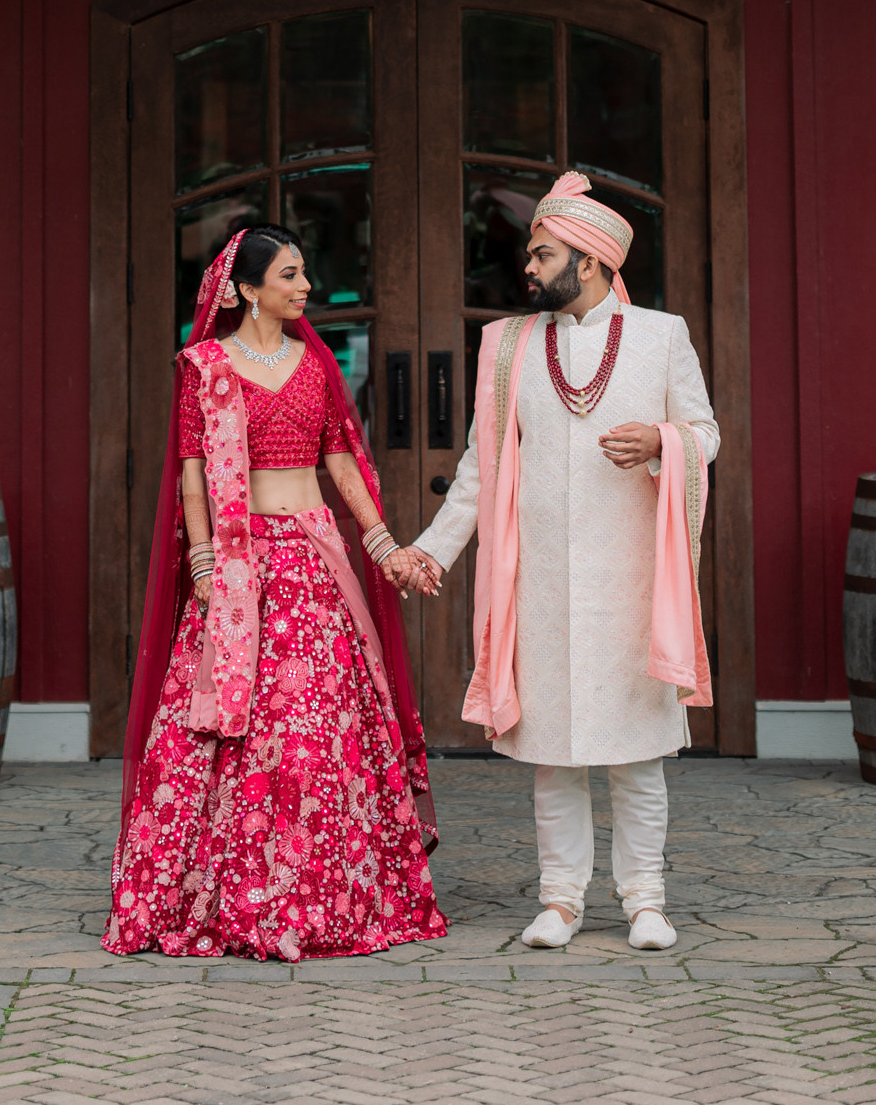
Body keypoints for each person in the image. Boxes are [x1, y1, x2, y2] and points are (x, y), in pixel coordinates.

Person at [104, 224, 445, 961]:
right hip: (239, 566)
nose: (306, 287)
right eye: (290, 275)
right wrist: (204, 564)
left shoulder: (314, 365)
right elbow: (193, 471)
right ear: (246, 289)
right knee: (230, 734)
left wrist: (383, 546)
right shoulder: (206, 367)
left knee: (319, 733)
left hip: (314, 566)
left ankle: (328, 895)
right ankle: (232, 895)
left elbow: (341, 464)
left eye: (304, 272)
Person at [397, 171, 718, 953]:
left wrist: (662, 443)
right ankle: (561, 901)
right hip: (538, 583)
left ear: (591, 260)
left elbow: (704, 435)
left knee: (637, 759)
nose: (529, 267)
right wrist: (432, 549)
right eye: (531, 254)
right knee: (553, 760)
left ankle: (645, 902)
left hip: (631, 583)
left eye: (543, 254)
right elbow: (481, 465)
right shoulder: (507, 345)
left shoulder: (661, 336)